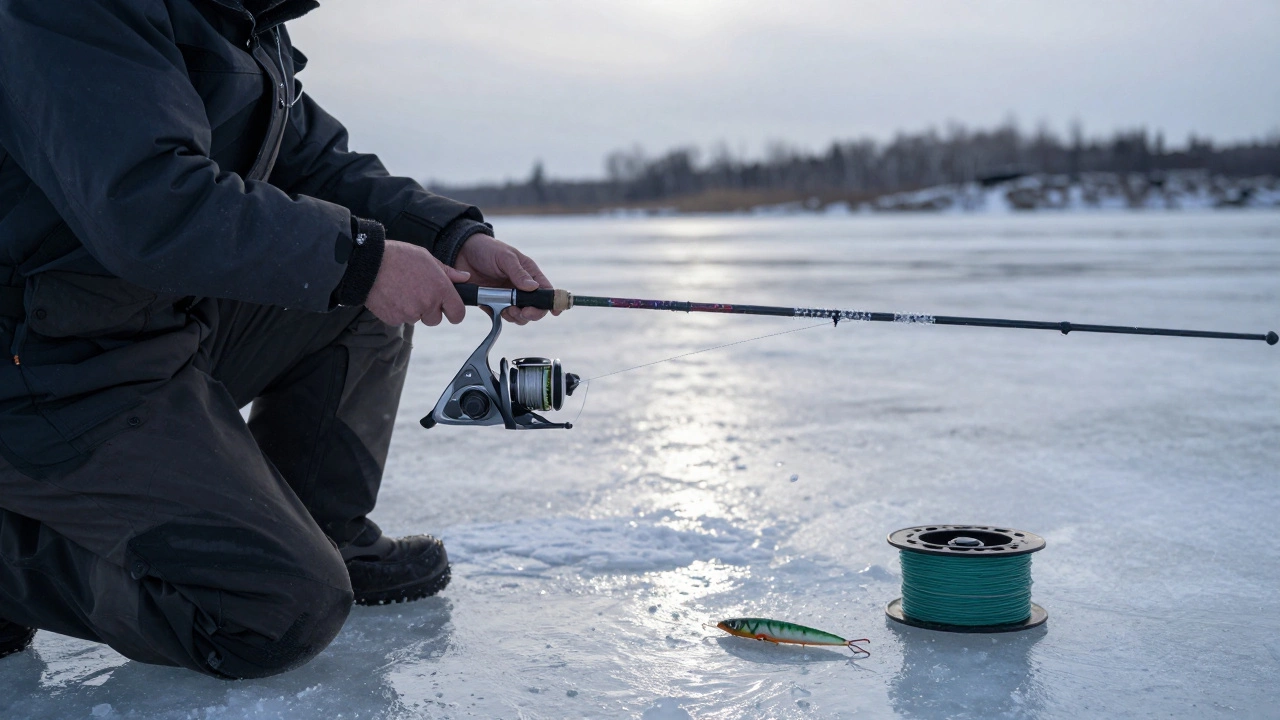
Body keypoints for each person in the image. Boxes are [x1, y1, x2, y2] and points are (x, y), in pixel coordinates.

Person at [0, 0, 555, 678]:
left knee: (358, 305)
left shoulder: (238, 16)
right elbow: (148, 202)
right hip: (44, 365)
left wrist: (450, 236)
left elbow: (311, 161)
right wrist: (362, 260)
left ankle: (324, 530)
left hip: (146, 324)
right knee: (275, 610)